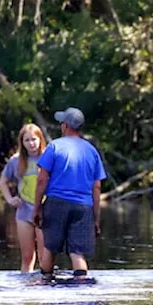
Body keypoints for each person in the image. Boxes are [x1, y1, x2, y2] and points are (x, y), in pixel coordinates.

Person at [32, 107, 107, 280]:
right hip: (83, 206)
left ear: (65, 126)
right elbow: (97, 187)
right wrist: (95, 218)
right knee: (77, 253)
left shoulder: (54, 147)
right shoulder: (91, 151)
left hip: (56, 203)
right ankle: (81, 293)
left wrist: (36, 208)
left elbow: (42, 179)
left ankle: (45, 285)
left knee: (50, 248)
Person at [0, 124, 47, 272]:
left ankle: (46, 285)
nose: (31, 143)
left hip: (45, 212)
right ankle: (25, 288)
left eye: (34, 139)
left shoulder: (48, 158)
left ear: (40, 139)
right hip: (24, 212)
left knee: (44, 256)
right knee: (27, 256)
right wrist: (10, 199)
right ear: (22, 143)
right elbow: (3, 181)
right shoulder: (16, 160)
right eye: (27, 140)